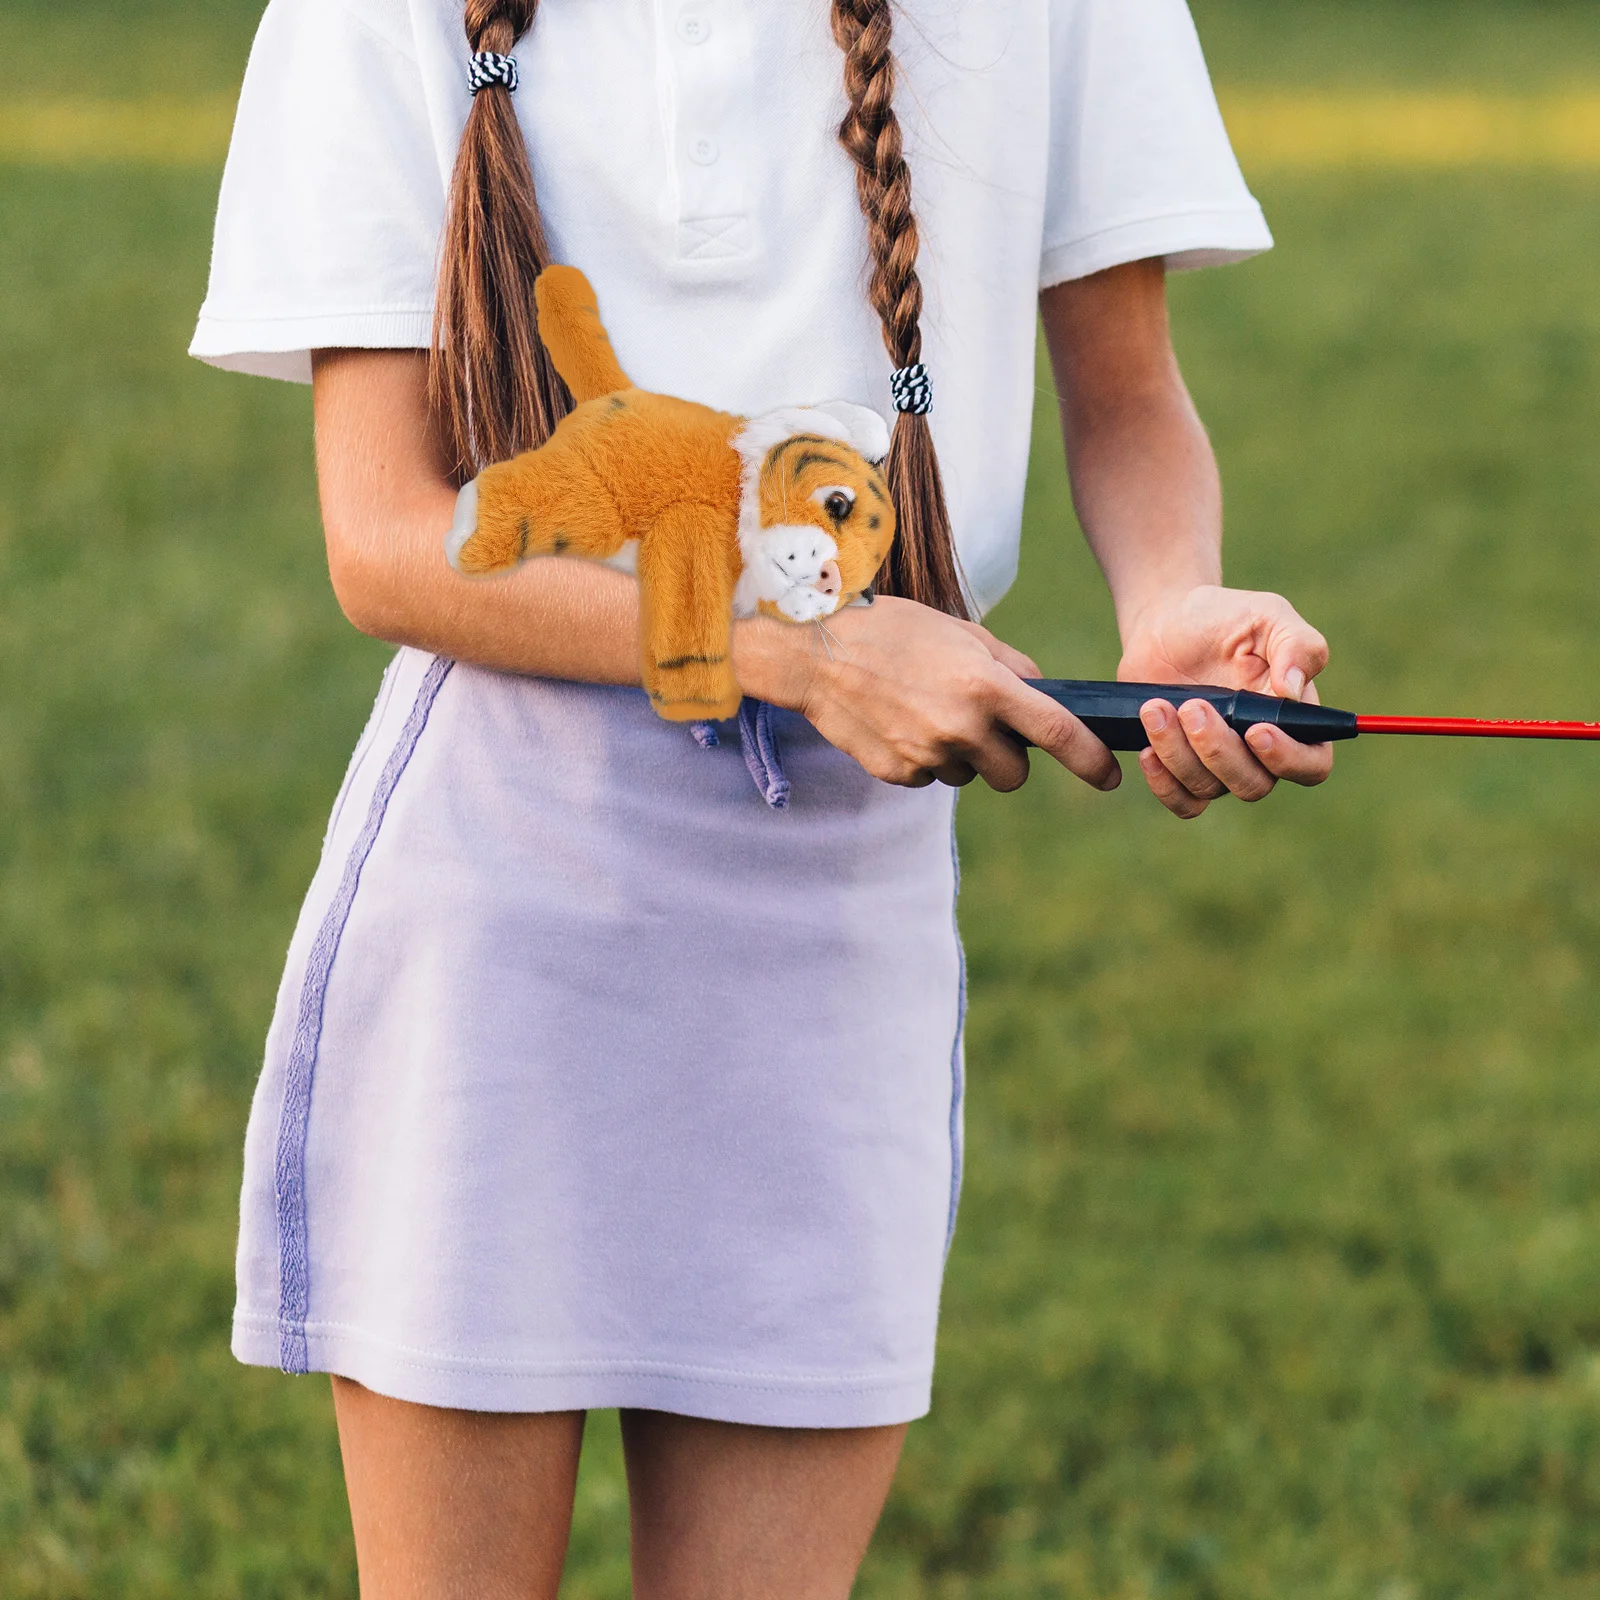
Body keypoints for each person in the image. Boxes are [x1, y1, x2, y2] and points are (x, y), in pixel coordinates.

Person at [191, 0, 1332, 1592]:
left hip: (842, 925)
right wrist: (798, 653)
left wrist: (1174, 603)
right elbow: (385, 538)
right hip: (505, 894)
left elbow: (1129, 392)